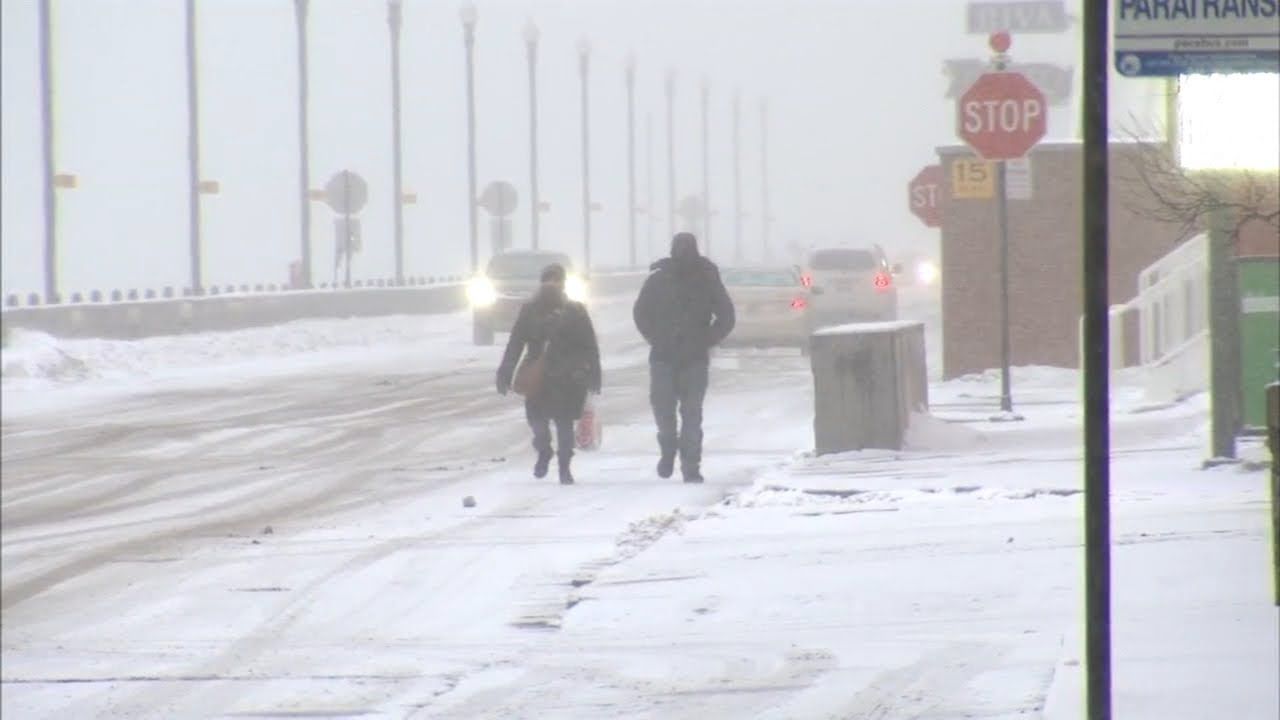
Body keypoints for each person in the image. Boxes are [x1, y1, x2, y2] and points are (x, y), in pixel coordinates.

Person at [632, 232, 735, 483]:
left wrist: (706, 339)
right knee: (666, 413)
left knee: (690, 415)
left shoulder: (707, 278)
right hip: (665, 356)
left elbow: (726, 316)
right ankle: (669, 450)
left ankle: (690, 465)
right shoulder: (659, 279)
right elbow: (641, 312)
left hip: (692, 358)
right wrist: (655, 336)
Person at [497, 264, 602, 485]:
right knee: (537, 422)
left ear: (563, 284)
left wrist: (593, 373)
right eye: (548, 280)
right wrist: (505, 371)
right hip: (538, 376)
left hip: (568, 378)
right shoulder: (529, 311)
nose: (552, 284)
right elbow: (516, 343)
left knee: (564, 425)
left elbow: (589, 345)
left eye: (556, 280)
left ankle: (565, 467)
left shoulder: (576, 311)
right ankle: (544, 451)